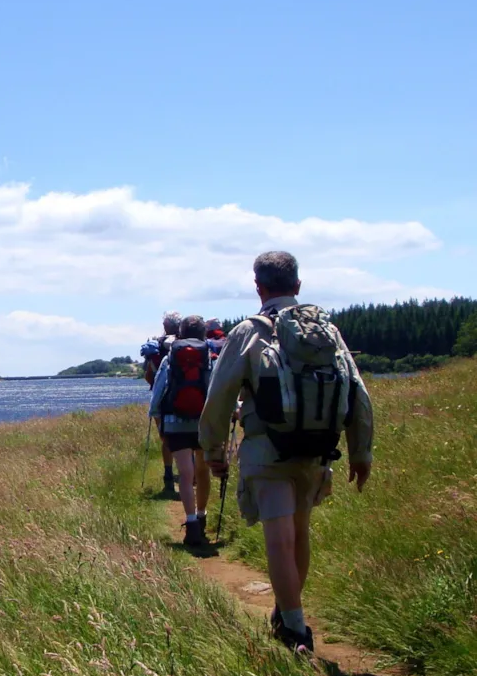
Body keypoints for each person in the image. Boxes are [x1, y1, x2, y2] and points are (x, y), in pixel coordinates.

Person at [199, 251, 374, 655]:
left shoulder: (249, 332)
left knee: (278, 540)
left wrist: (213, 450)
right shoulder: (328, 332)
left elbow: (220, 396)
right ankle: (287, 609)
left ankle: (296, 629)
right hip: (316, 451)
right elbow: (357, 391)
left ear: (258, 287)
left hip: (267, 449)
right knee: (299, 534)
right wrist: (360, 452)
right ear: (298, 285)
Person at [149, 315, 213, 546]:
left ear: (181, 333)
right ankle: (203, 515)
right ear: (204, 334)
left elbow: (159, 389)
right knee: (203, 471)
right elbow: (216, 388)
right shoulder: (209, 357)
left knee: (186, 474)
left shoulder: (170, 358)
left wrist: (157, 418)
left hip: (175, 421)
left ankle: (191, 524)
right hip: (203, 421)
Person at [141, 311, 182, 491]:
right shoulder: (187, 344)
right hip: (184, 397)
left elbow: (148, 377)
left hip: (162, 400)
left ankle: (168, 476)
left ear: (165, 327)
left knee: (166, 439)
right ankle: (190, 474)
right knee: (187, 436)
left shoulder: (155, 348)